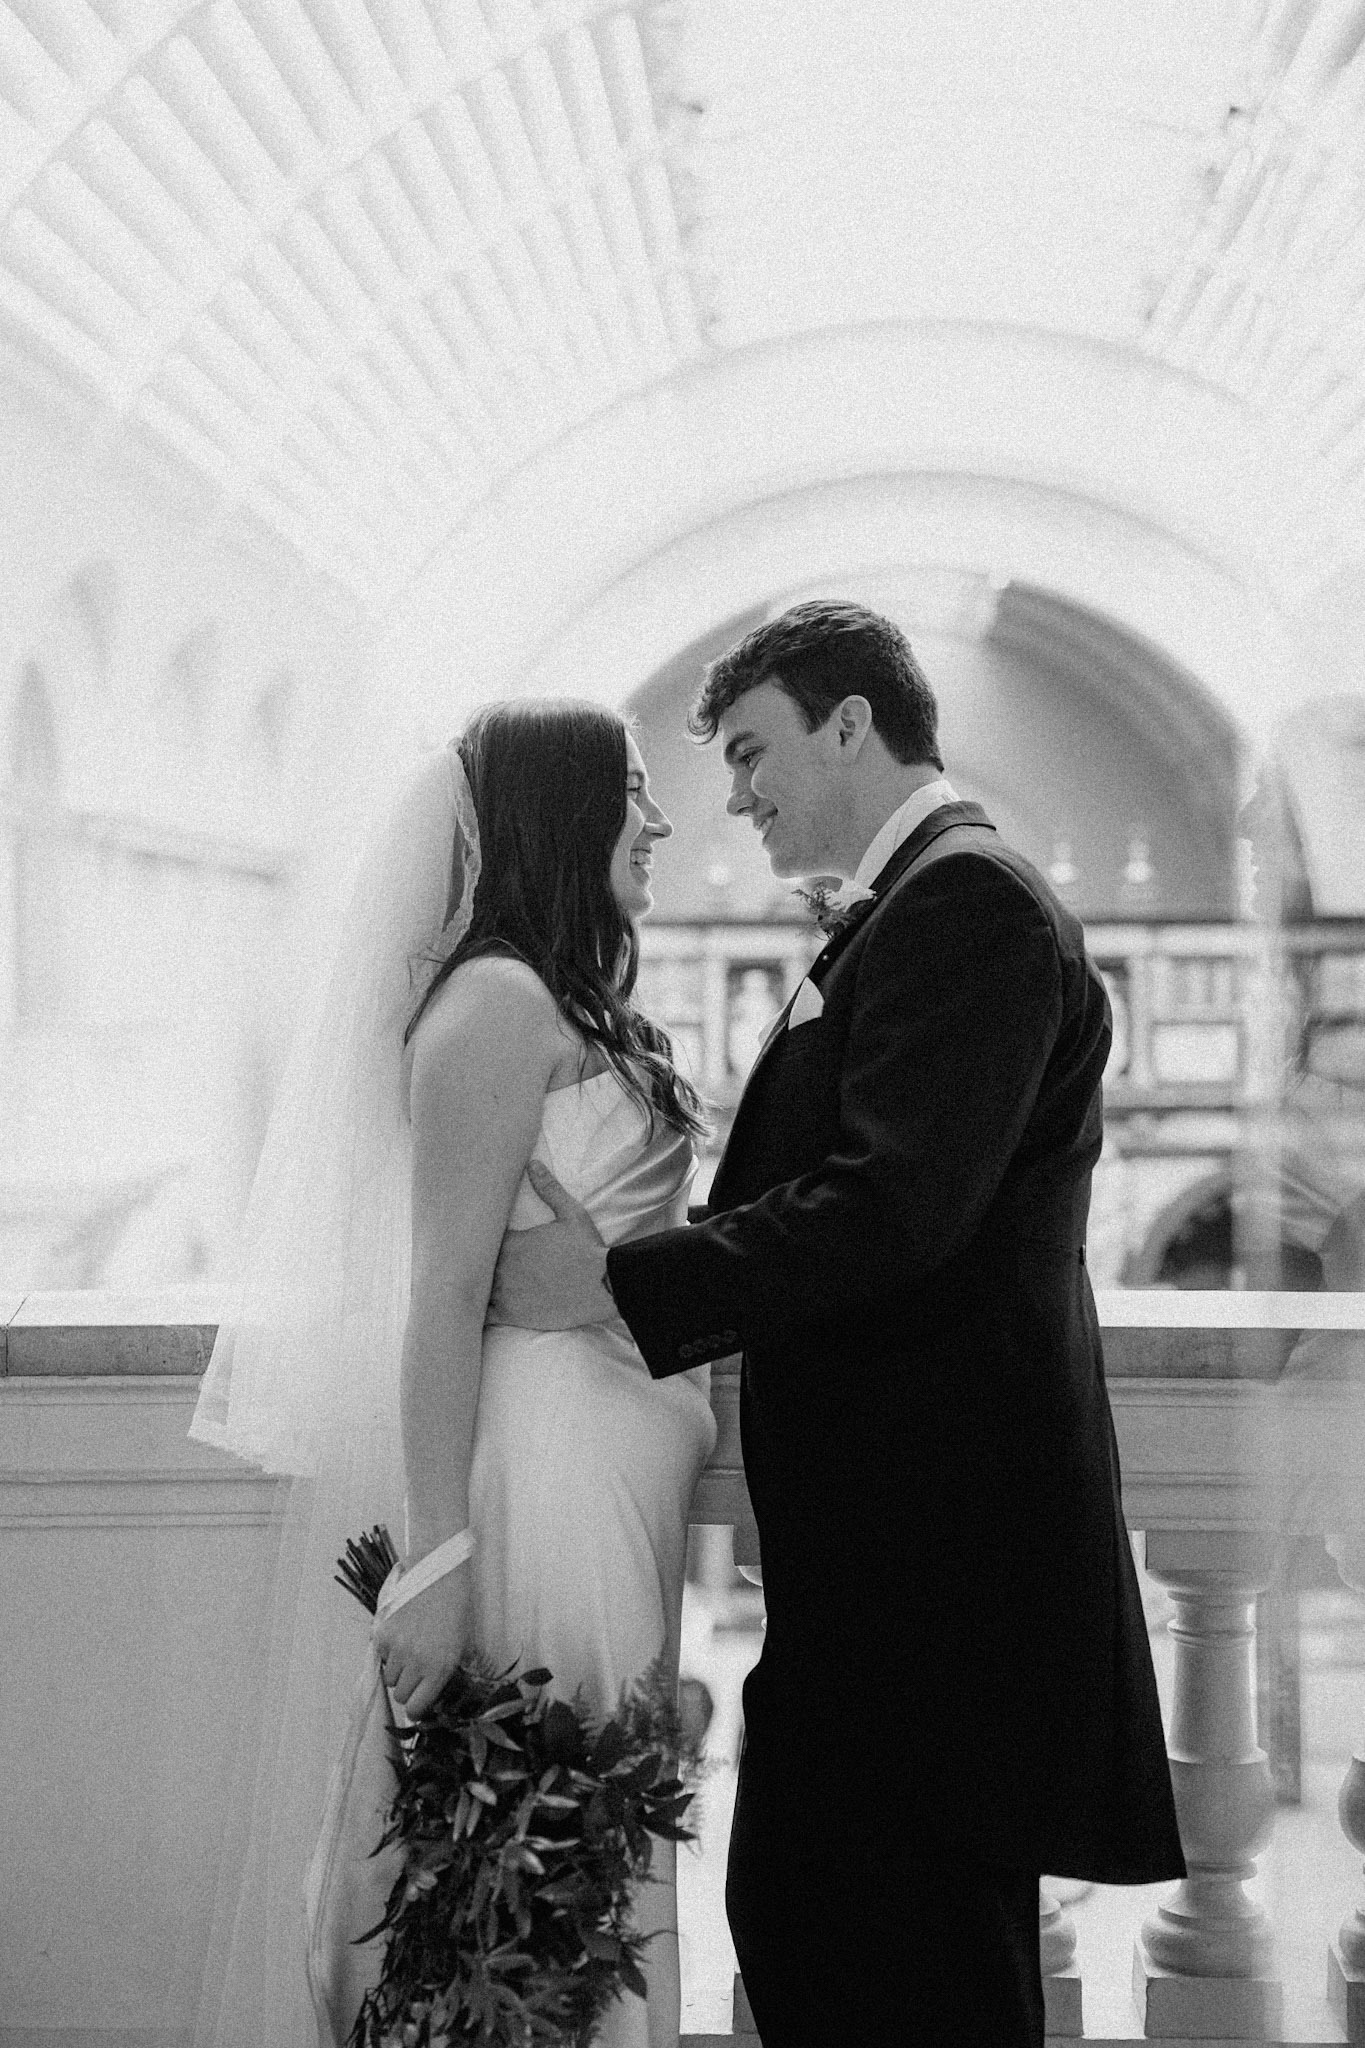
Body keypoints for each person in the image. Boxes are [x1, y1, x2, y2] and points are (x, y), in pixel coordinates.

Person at [490, 601, 1186, 2048]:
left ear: (851, 724)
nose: (733, 796)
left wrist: (620, 1285)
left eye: (752, 752)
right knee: (829, 1934)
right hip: (885, 1564)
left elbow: (890, 1209)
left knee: (891, 1961)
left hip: (938, 1566)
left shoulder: (965, 902)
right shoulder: (919, 899)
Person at [188, 701, 715, 2048]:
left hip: (613, 1474)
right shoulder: (493, 1004)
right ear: (559, 814)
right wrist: (436, 1560)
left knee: (590, 1863)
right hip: (542, 1473)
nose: (655, 823)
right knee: (546, 1868)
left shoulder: (561, 998)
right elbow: (439, 1296)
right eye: (632, 793)